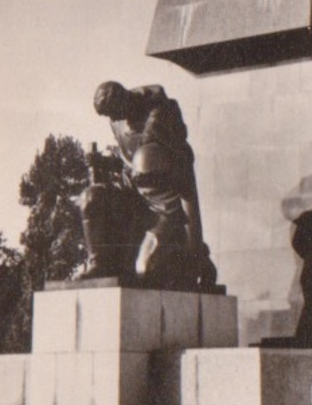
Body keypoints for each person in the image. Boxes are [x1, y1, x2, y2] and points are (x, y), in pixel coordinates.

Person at [80, 81, 218, 292]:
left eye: (114, 112)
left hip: (165, 201)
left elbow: (163, 155)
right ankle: (99, 264)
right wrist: (104, 163)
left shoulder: (160, 111)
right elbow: (127, 160)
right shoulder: (117, 121)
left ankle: (185, 261)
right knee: (90, 198)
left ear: (123, 100)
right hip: (133, 190)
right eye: (109, 116)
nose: (114, 119)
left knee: (144, 269)